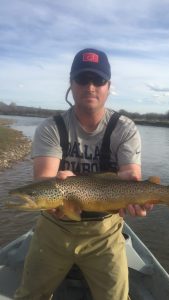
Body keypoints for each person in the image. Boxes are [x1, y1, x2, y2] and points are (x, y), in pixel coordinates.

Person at [15, 48, 152, 300]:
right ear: (71, 83)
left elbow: (131, 175)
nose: (90, 86)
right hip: (54, 229)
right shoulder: (51, 127)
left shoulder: (124, 128)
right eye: (82, 79)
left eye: (98, 80)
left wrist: (139, 200)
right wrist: (54, 188)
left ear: (108, 86)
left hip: (105, 233)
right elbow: (43, 179)